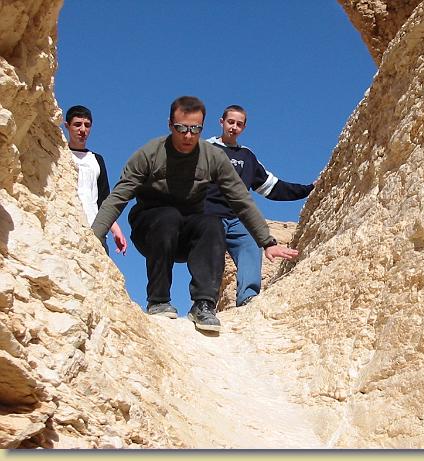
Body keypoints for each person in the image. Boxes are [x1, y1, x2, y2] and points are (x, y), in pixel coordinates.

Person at [91, 96, 297, 332]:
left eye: (195, 129)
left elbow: (241, 200)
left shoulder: (213, 157)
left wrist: (267, 241)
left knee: (212, 223)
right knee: (168, 216)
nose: (188, 136)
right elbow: (118, 197)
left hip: (188, 231)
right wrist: (94, 237)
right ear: (170, 125)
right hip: (151, 228)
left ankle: (204, 304)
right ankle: (158, 300)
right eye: (181, 128)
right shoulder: (149, 154)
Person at [204, 105, 314, 307]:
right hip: (209, 215)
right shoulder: (205, 148)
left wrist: (309, 189)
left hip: (238, 218)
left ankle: (247, 298)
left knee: (251, 244)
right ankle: (205, 302)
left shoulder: (247, 156)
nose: (234, 127)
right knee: (210, 256)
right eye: (230, 122)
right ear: (221, 122)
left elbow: (272, 187)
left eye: (239, 124)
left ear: (244, 127)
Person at [64, 105, 128, 255]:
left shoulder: (96, 160)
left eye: (87, 125)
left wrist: (116, 230)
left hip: (95, 231)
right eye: (77, 124)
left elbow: (104, 199)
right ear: (67, 126)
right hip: (67, 226)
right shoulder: (60, 155)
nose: (82, 130)